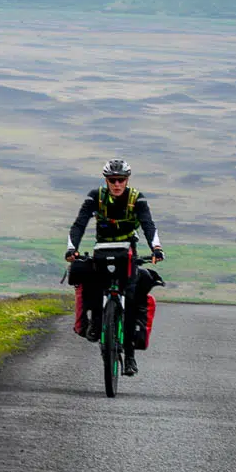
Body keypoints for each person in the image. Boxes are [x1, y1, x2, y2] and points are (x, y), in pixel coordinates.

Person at [65, 158, 163, 376]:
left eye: (121, 180)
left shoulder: (137, 199)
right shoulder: (95, 197)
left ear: (127, 180)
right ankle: (94, 322)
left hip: (128, 253)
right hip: (103, 251)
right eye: (112, 180)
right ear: (106, 180)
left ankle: (129, 357)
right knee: (89, 280)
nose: (117, 184)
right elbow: (79, 224)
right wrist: (72, 249)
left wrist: (156, 248)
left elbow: (148, 224)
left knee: (129, 299)